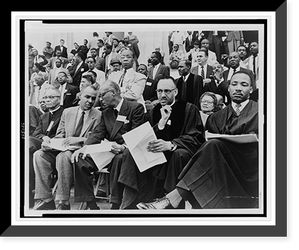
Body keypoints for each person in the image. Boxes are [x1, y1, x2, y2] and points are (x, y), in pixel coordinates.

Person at [137, 71, 258, 210]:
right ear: (228, 88)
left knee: (212, 146)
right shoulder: (217, 117)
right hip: (223, 168)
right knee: (211, 146)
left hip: (251, 167)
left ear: (251, 89)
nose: (238, 88)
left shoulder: (261, 112)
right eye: (234, 84)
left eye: (244, 84)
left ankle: (171, 199)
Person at [108, 77, 205, 209]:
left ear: (175, 92)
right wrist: (161, 124)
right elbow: (147, 137)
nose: (163, 95)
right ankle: (130, 200)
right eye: (159, 91)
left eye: (167, 91)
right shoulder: (153, 111)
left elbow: (196, 137)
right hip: (156, 153)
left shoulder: (189, 109)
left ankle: (168, 202)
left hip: (177, 152)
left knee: (179, 154)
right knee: (130, 153)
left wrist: (171, 144)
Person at [71, 80, 145, 210]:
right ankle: (90, 203)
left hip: (127, 151)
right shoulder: (106, 112)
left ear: (113, 93)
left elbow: (138, 134)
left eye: (102, 95)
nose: (99, 99)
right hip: (110, 150)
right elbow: (98, 133)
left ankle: (116, 203)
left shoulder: (135, 108)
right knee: (80, 159)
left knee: (120, 158)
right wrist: (84, 148)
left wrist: (123, 147)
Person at [32, 85, 101, 210]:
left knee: (63, 157)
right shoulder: (68, 112)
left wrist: (80, 139)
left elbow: (98, 138)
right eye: (87, 97)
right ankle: (45, 198)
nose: (90, 101)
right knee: (39, 155)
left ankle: (63, 200)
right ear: (80, 96)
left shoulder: (98, 115)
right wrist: (51, 143)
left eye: (93, 98)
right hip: (63, 149)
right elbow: (60, 134)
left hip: (80, 151)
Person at [29, 87, 64, 208]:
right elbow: (36, 133)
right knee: (30, 148)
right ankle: (43, 196)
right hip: (44, 146)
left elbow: (65, 133)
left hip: (59, 149)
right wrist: (44, 137)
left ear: (59, 99)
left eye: (51, 97)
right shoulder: (44, 116)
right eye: (45, 98)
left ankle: (34, 190)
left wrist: (52, 141)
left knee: (33, 149)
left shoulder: (65, 113)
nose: (47, 100)